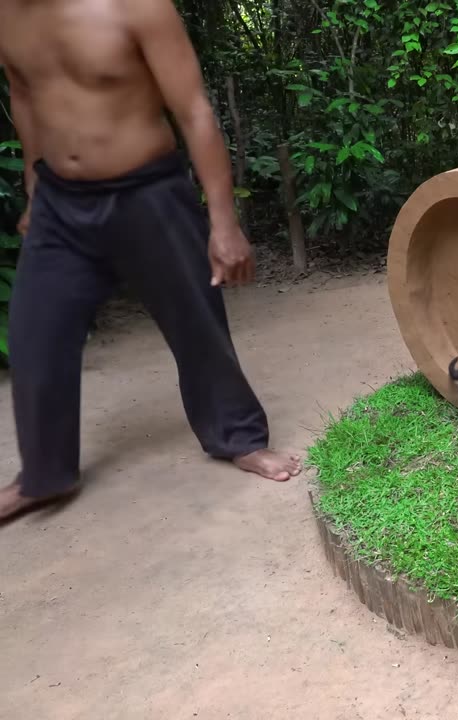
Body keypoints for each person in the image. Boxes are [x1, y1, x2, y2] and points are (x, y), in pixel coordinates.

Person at [0, 0, 302, 522]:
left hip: (147, 192)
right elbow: (24, 94)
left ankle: (238, 438)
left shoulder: (136, 6)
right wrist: (33, 187)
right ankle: (44, 475)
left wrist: (223, 223)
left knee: (196, 322)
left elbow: (193, 110)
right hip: (58, 201)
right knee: (34, 332)